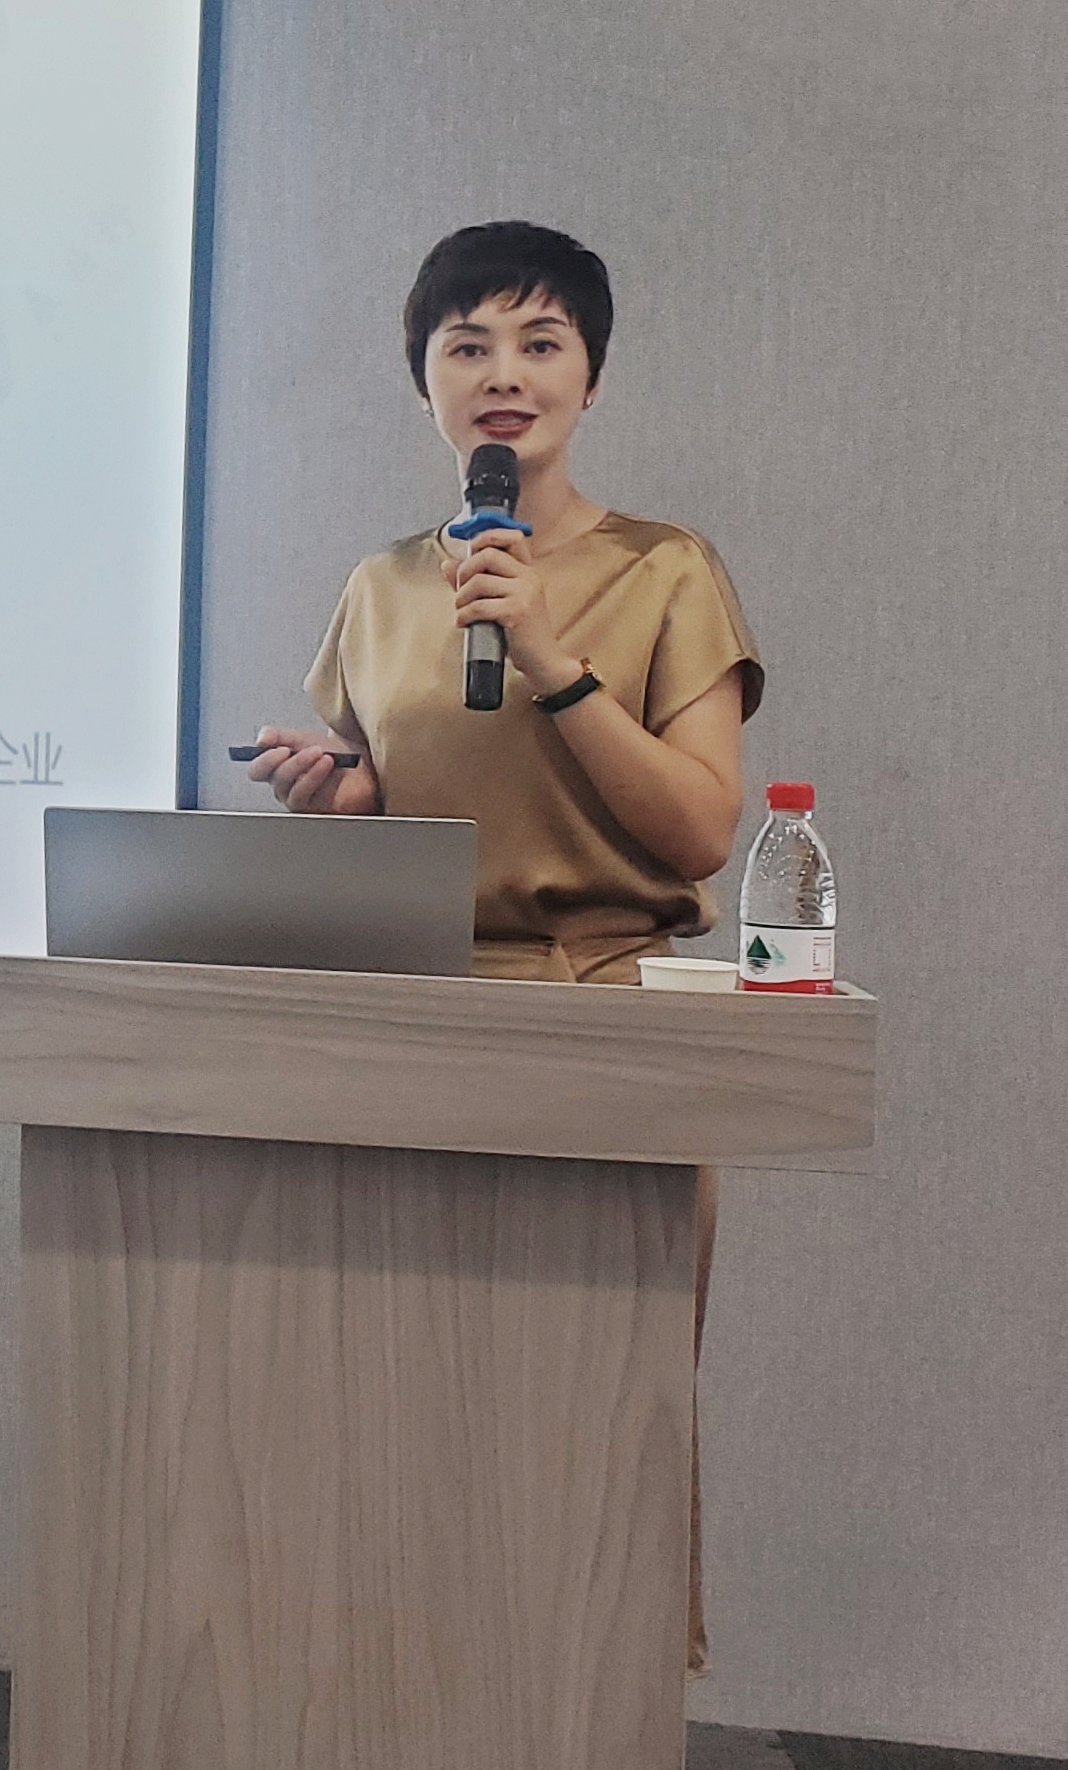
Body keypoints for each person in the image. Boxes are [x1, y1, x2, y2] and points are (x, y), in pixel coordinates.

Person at [244, 219, 760, 1671]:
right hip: (418, 1026)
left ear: (593, 374)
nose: (503, 375)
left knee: (588, 1441)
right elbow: (402, 800)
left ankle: (587, 1746)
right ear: (425, 381)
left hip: (609, 1021)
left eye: (541, 342)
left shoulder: (666, 570)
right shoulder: (382, 585)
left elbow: (699, 829)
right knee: (400, 1430)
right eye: (466, 345)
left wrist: (550, 659)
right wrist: (339, 797)